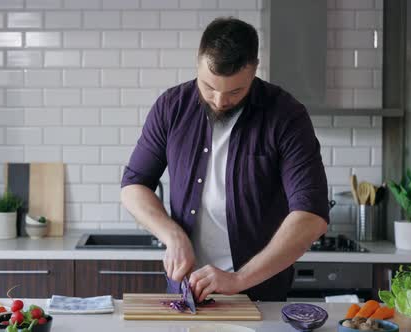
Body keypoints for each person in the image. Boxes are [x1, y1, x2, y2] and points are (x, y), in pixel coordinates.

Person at [120, 17, 329, 302]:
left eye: (235, 91)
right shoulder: (172, 107)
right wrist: (173, 235)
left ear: (254, 70)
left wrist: (238, 279)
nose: (219, 101)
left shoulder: (286, 116)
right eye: (208, 87)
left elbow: (311, 216)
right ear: (198, 62)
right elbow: (134, 186)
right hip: (186, 291)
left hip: (260, 294)